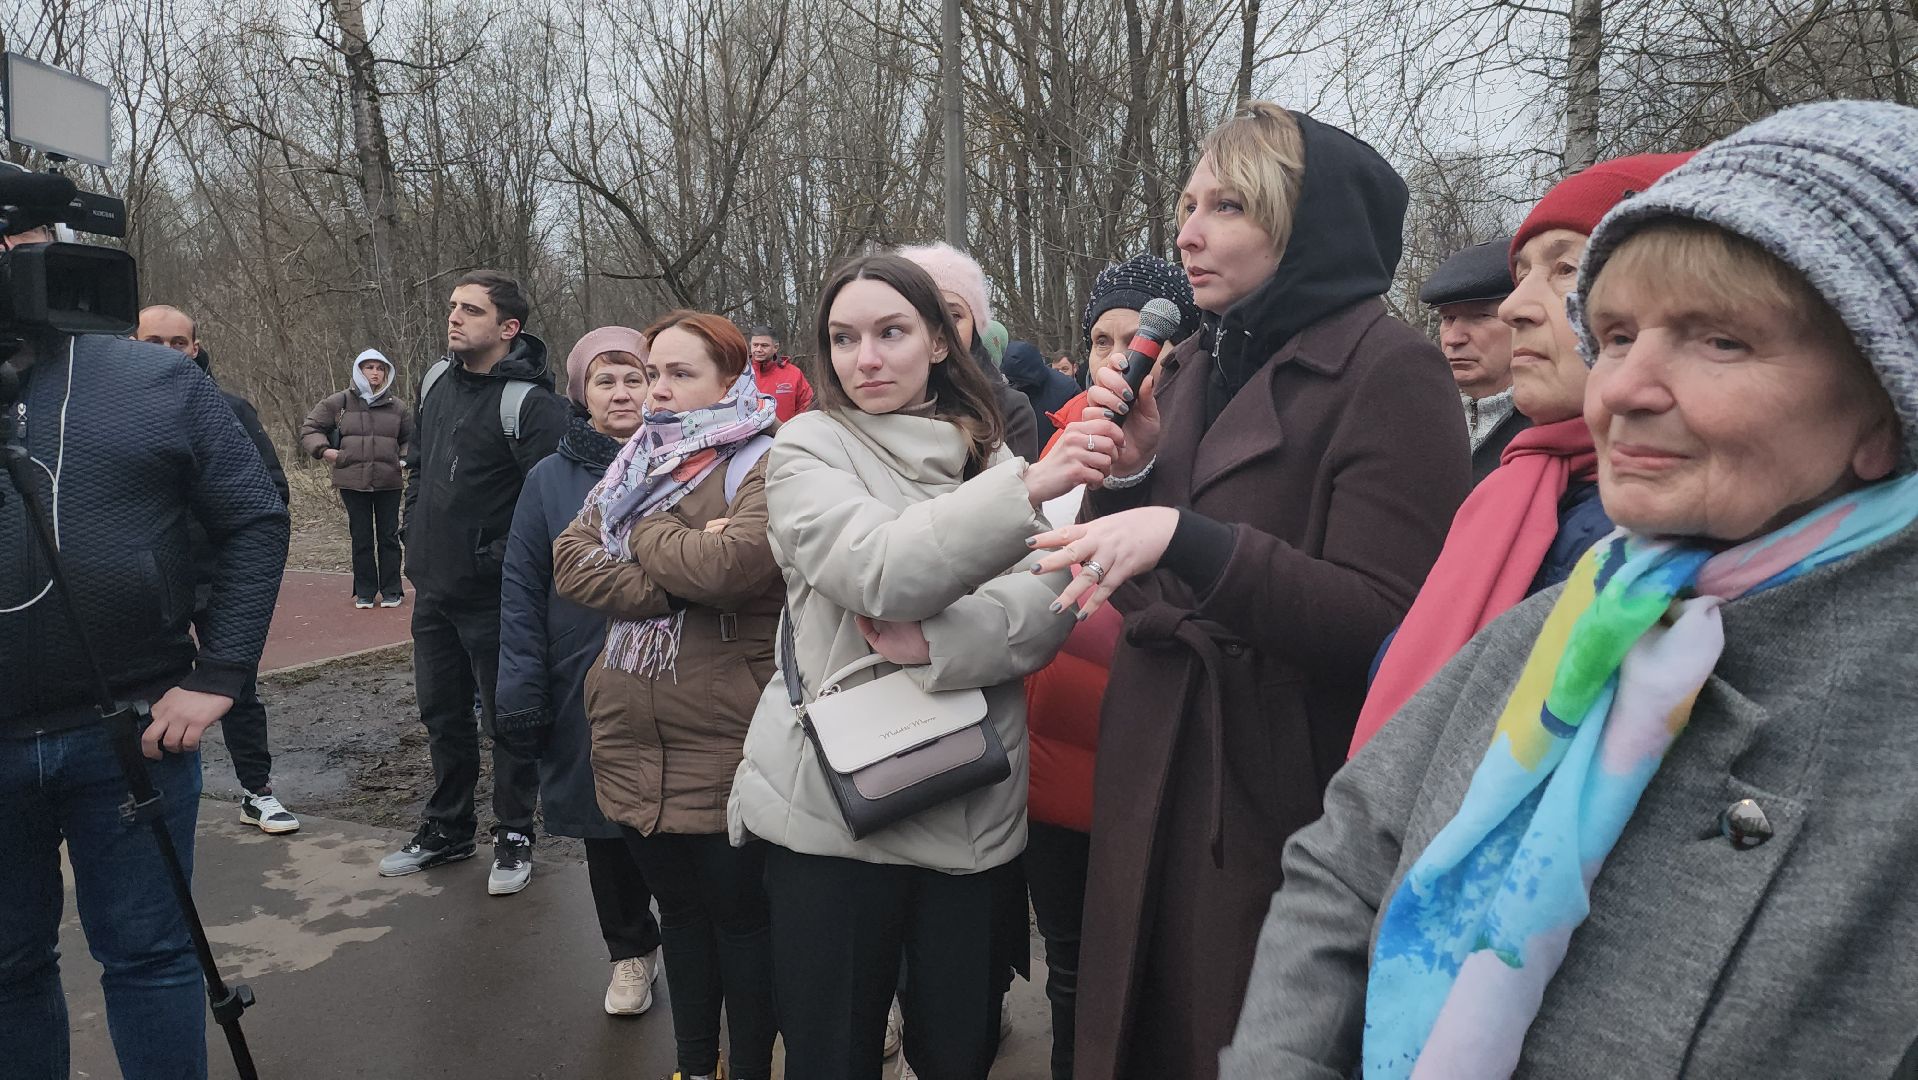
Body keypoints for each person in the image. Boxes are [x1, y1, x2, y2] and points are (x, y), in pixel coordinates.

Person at [1222, 100, 1918, 1079]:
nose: (1623, 387)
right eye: (1618, 333)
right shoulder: (1577, 616)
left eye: (1718, 340)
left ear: (1885, 404)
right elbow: (1348, 857)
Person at [1028, 102, 1471, 1080]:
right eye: (1187, 204)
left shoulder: (1390, 371)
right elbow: (1138, 577)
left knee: (1232, 1037)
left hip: (1276, 782)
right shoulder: (1190, 360)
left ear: (1307, 222)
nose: (1188, 231)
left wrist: (1188, 536)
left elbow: (1390, 621)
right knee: (1126, 1028)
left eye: (1227, 206)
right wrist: (1136, 472)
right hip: (1150, 759)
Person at [728, 253, 1092, 1080]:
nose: (867, 358)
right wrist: (1024, 496)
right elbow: (877, 572)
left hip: (972, 808)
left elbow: (1050, 604)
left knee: (959, 1053)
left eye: (891, 332)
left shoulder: (990, 456)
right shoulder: (806, 448)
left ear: (938, 339)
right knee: (831, 1054)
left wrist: (941, 644)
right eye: (845, 338)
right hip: (832, 812)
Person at [0, 220, 290, 1078]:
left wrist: (222, 671)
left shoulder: (155, 377)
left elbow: (254, 517)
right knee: (8, 967)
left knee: (150, 958)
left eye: (22, 241)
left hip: (133, 729)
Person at [1349, 154, 1693, 755]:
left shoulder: (1667, 526)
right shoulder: (1521, 488)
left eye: (1565, 268)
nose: (1515, 308)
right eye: (1522, 273)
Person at [553, 312, 782, 1080]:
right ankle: (693, 1064)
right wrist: (676, 576)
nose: (658, 391)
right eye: (654, 373)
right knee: (680, 919)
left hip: (726, 731)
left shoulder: (765, 461)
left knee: (743, 924)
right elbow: (571, 561)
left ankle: (749, 1065)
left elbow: (734, 567)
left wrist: (647, 533)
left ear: (730, 381)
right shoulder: (634, 462)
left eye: (681, 374)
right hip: (628, 728)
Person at [1019, 251, 1200, 1080]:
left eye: (1142, 340)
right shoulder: (1053, 452)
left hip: (1149, 765)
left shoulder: (1201, 450)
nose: (1122, 359)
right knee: (1071, 971)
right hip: (1054, 768)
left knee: (1149, 975)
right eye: (1103, 340)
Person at [381, 270, 569, 893]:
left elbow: (551, 503)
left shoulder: (533, 406)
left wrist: (494, 560)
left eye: (471, 311)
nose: (455, 318)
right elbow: (418, 467)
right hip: (434, 588)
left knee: (508, 719)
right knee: (442, 713)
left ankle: (514, 834)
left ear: (508, 328)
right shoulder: (435, 379)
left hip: (496, 597)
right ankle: (447, 827)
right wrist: (413, 533)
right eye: (453, 307)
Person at [495, 327, 664, 1017]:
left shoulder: (688, 461)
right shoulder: (549, 479)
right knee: (606, 824)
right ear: (580, 395)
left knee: (685, 826)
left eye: (634, 377)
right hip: (584, 675)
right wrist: (521, 689)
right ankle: (629, 951)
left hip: (680, 675)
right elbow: (522, 586)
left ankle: (698, 947)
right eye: (606, 380)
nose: (622, 393)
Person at [134, 304, 300, 836]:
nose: (165, 353)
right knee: (137, 687)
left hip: (212, 578)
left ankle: (258, 790)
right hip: (139, 583)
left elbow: (268, 496)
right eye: (151, 341)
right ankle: (140, 788)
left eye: (177, 342)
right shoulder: (101, 414)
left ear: (196, 349)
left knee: (236, 685)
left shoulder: (228, 411)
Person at [896, 242, 1042, 462]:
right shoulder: (868, 398)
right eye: (921, 314)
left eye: (953, 316)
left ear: (975, 327)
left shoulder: (1007, 410)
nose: (938, 331)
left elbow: (1021, 493)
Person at [300, 348, 413, 609]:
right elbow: (310, 429)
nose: (375, 372)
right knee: (361, 536)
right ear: (359, 370)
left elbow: (410, 438)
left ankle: (392, 590)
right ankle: (364, 591)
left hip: (388, 480)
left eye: (380, 368)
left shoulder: (397, 407)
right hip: (352, 480)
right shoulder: (338, 402)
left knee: (388, 536)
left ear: (387, 372)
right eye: (369, 367)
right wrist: (327, 452)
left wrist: (403, 458)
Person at [1422, 237, 1529, 482]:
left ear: (1523, 321)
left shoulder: (1555, 429)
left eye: (1479, 316)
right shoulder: (1418, 422)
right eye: (1448, 319)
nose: (1453, 338)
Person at [1001, 339, 1079, 446]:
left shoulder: (1067, 389)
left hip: (1057, 454)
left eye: (1021, 383)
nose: (1017, 385)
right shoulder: (1008, 391)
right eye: (1012, 381)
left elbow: (1078, 433)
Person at [747, 323, 814, 422]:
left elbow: (807, 406)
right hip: (747, 436)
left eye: (764, 346)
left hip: (785, 435)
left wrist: (794, 431)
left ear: (776, 347)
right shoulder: (739, 373)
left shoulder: (793, 374)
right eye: (755, 345)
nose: (758, 349)